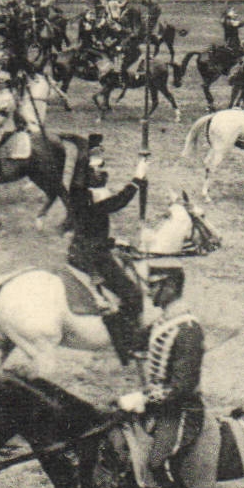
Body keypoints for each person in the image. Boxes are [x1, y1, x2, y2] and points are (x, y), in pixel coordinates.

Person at [113, 266, 206, 488]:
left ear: (170, 287)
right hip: (158, 408)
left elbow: (183, 387)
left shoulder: (189, 329)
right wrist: (114, 314)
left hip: (182, 411)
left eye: (154, 286)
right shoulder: (163, 322)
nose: (150, 292)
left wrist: (143, 398)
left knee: (158, 462)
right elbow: (130, 345)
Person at [64, 135, 148, 365]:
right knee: (132, 294)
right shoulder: (83, 194)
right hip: (91, 255)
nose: (102, 170)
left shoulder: (84, 191)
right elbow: (116, 203)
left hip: (91, 245)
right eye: (97, 167)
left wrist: (114, 241)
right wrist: (137, 179)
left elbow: (94, 226)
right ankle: (128, 346)